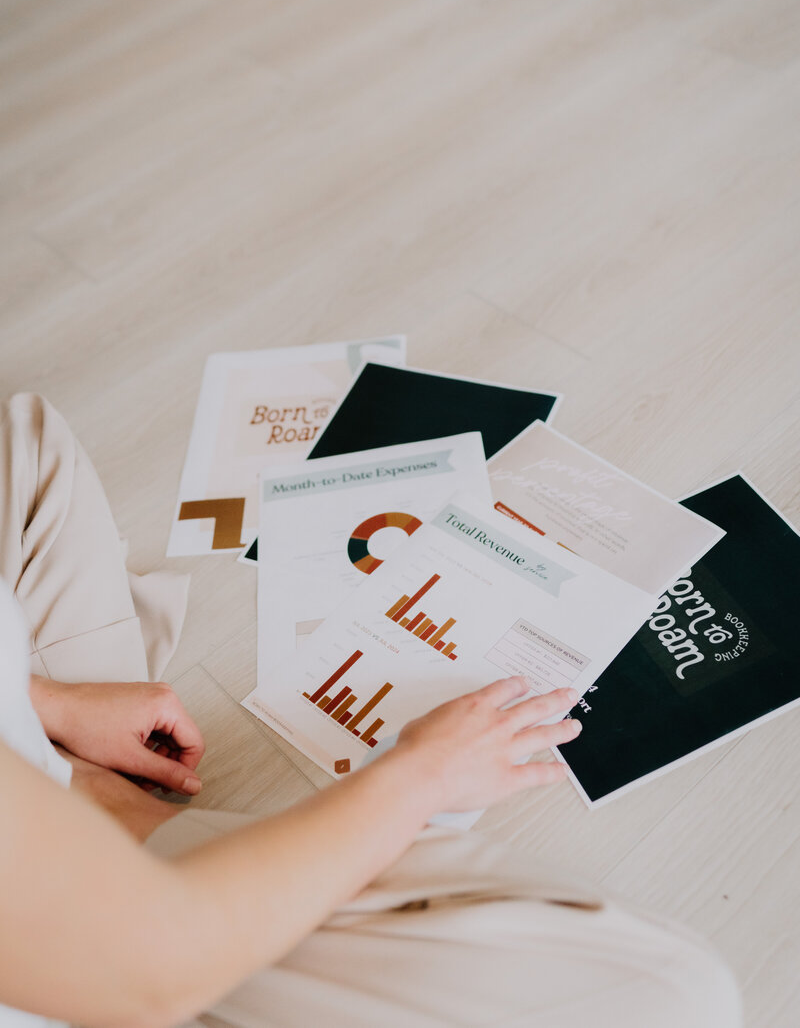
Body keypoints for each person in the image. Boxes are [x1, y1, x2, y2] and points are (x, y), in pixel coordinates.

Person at [0, 393, 742, 1028]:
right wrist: (422, 776)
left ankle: (89, 788)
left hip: (52, 780)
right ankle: (113, 809)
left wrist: (48, 703)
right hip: (125, 945)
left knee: (31, 440)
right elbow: (158, 963)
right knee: (677, 998)